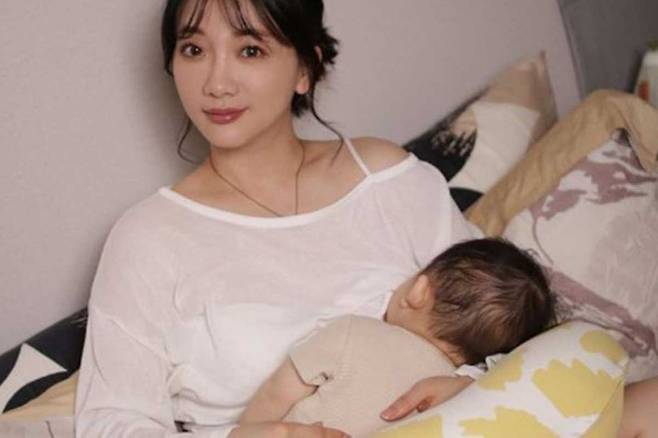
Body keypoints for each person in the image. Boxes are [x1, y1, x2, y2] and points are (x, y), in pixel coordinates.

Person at [74, 1, 479, 437]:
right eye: (194, 50)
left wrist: (469, 386)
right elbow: (110, 423)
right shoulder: (146, 238)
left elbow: (506, 319)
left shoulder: (386, 180)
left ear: (305, 68)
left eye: (250, 50)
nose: (216, 83)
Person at [239, 238, 556, 437]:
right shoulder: (458, 393)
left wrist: (245, 430)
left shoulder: (353, 331)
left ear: (419, 291)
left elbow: (276, 394)